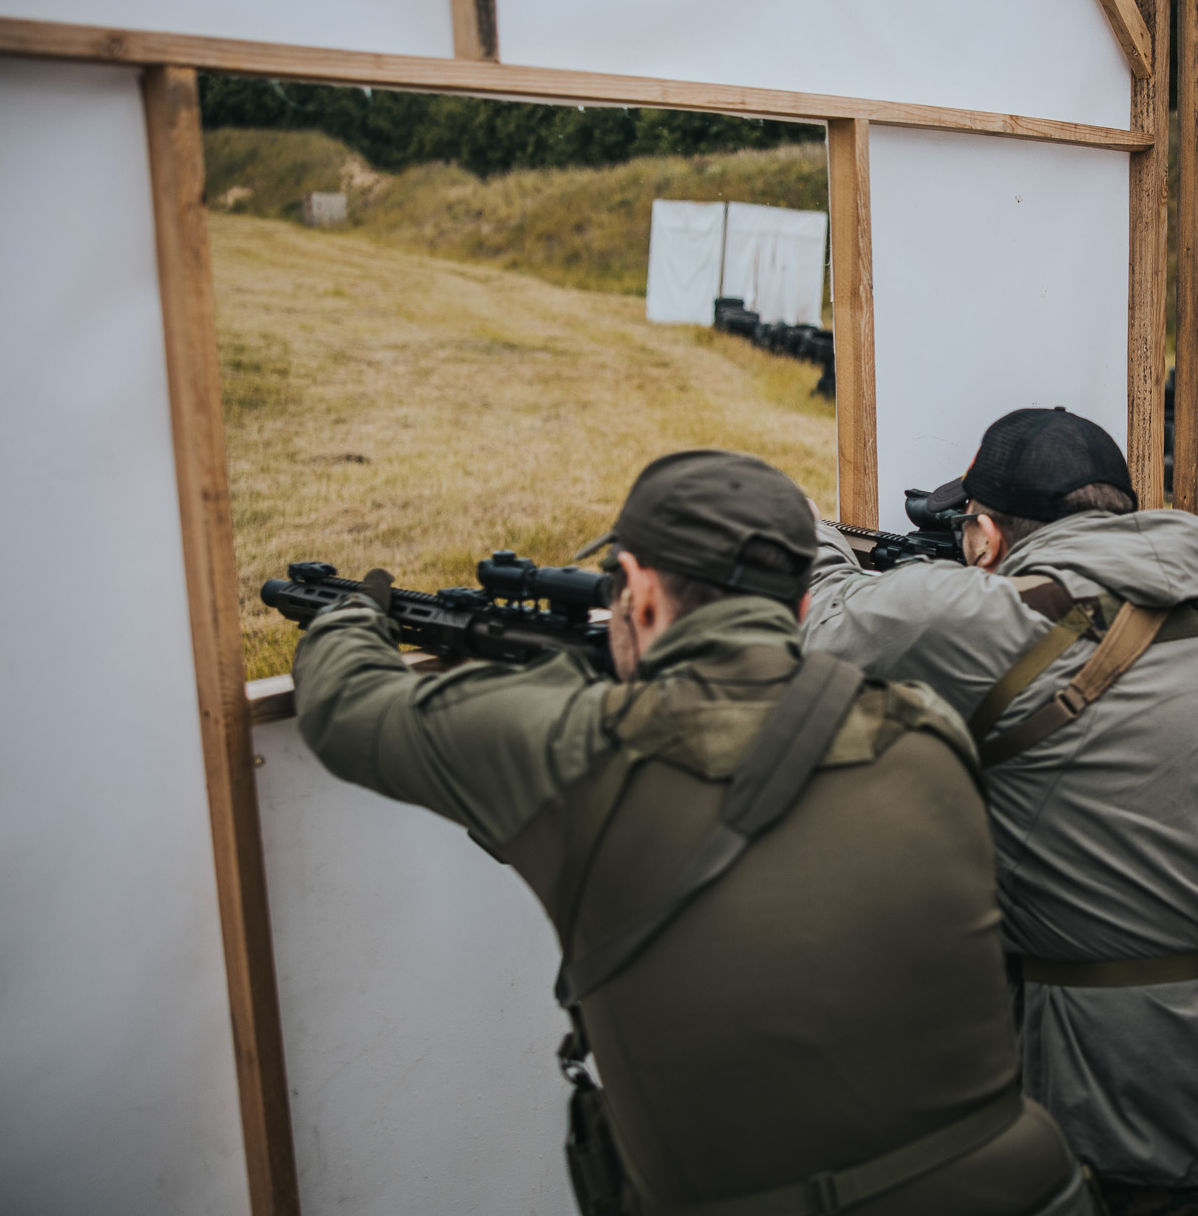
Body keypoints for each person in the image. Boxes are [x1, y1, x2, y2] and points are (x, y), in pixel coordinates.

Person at [291, 449, 1091, 1216]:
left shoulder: (573, 748)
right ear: (806, 605)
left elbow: (346, 706)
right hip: (1033, 1190)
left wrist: (356, 608)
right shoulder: (927, 734)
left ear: (637, 594)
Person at [802, 408, 1198, 1215]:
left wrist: (815, 533)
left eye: (968, 527)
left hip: (1150, 1133)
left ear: (988, 540)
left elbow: (822, 618)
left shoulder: (981, 617)